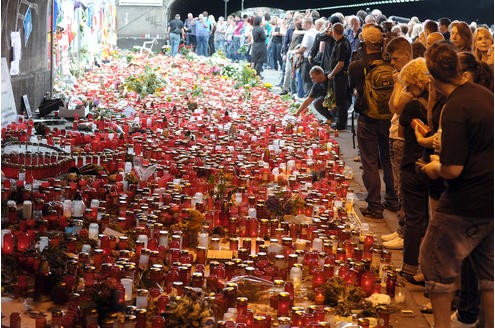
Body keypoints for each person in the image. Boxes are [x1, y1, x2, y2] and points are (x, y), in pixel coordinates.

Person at [420, 40, 493, 328]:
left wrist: (434, 168)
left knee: (433, 259)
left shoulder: (455, 107)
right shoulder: (484, 95)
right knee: (488, 274)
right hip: (491, 199)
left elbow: (453, 168)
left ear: (432, 77)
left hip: (466, 200)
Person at [348, 24, 398, 218]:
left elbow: (353, 89)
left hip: (368, 118)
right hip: (389, 118)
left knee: (369, 162)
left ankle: (375, 205)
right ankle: (393, 200)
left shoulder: (357, 66)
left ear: (364, 42)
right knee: (388, 160)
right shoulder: (391, 63)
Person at [396, 58, 431, 285]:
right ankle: (427, 270)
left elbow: (400, 133)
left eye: (408, 85)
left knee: (415, 219)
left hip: (412, 164)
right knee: (430, 220)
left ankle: (409, 267)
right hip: (431, 167)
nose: (407, 89)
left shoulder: (412, 106)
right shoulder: (437, 105)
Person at [381, 36, 413, 250]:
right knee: (397, 185)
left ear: (407, 56)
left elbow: (397, 106)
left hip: (403, 138)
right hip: (395, 134)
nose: (393, 63)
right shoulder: (400, 76)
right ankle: (401, 229)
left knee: (404, 188)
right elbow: (392, 105)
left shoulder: (410, 76)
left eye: (395, 58)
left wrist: (398, 83)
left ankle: (404, 233)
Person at [327, 23, 351, 130]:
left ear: (334, 32)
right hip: (342, 75)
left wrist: (332, 73)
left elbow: (340, 63)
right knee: (342, 101)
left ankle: (341, 124)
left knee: (341, 101)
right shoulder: (344, 41)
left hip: (340, 76)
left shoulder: (342, 44)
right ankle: (340, 122)